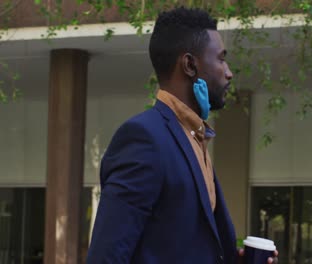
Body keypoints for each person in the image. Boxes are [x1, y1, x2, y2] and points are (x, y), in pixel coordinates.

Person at [86, 7, 277, 264]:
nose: (229, 72)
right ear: (189, 65)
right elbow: (106, 256)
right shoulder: (144, 138)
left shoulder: (195, 138)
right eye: (221, 59)